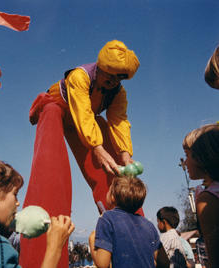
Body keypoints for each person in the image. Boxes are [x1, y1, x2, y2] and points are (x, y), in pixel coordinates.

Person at [20, 40, 143, 267]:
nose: (114, 81)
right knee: (52, 165)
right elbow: (83, 112)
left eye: (120, 77)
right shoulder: (80, 76)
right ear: (101, 65)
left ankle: (130, 237)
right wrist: (96, 147)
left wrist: (125, 153)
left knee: (113, 168)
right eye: (111, 74)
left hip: (85, 123)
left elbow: (119, 121)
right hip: (60, 109)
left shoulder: (117, 92)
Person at [89, 176, 169, 268]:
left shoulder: (107, 218)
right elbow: (164, 262)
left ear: (113, 197)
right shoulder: (149, 225)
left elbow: (103, 264)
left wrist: (92, 240)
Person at [183, 123, 219, 268]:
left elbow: (215, 259)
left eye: (187, 155)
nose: (185, 162)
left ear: (202, 156)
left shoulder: (207, 198)